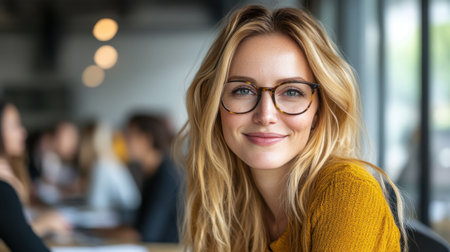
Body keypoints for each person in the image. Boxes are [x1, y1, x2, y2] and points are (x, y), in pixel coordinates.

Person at [176, 5, 407, 252]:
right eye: (243, 90)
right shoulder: (228, 203)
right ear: (213, 105)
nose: (265, 115)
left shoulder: (348, 192)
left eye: (292, 92)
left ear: (319, 110)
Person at [0, 100, 72, 239]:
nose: (23, 132)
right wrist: (44, 223)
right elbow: (9, 237)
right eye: (15, 125)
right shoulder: (2, 183)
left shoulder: (13, 169)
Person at [125, 113, 181, 243]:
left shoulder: (167, 175)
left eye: (129, 136)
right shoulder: (149, 171)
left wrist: (91, 232)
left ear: (146, 140)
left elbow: (145, 234)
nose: (125, 141)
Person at [78, 121, 140, 211]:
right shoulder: (110, 161)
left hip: (121, 220)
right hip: (123, 215)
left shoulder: (101, 166)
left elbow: (95, 205)